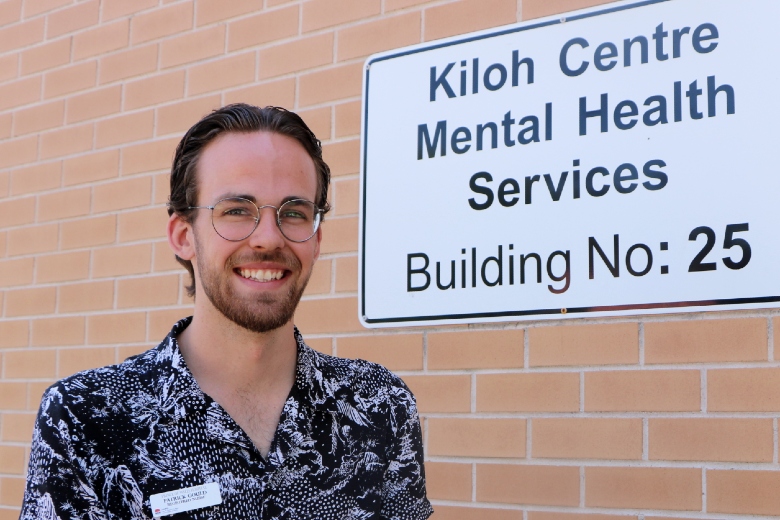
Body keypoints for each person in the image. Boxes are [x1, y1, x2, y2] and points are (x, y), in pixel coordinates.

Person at [19, 104, 432, 520]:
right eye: (236, 210)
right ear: (184, 236)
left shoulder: (381, 407)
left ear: (316, 239)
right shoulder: (85, 420)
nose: (268, 238)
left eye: (293, 213)